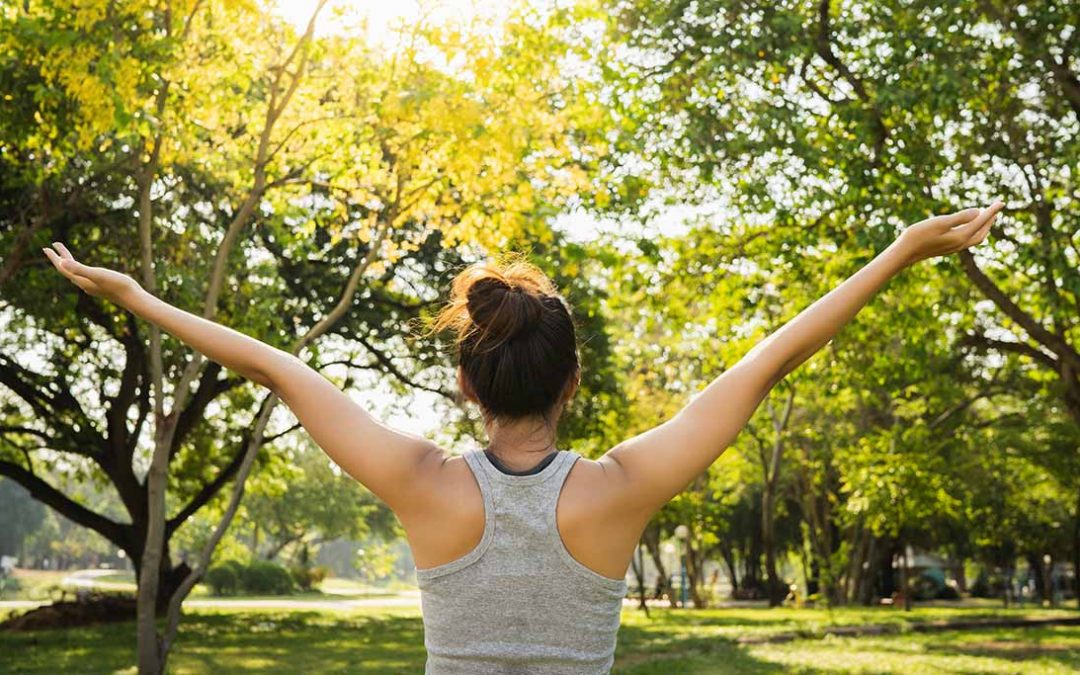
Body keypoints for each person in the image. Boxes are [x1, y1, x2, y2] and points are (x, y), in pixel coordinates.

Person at [42, 201, 1003, 673]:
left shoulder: (421, 483)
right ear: (574, 383)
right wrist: (903, 247)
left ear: (464, 383)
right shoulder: (621, 487)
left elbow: (278, 369)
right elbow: (768, 362)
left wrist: (137, 295)